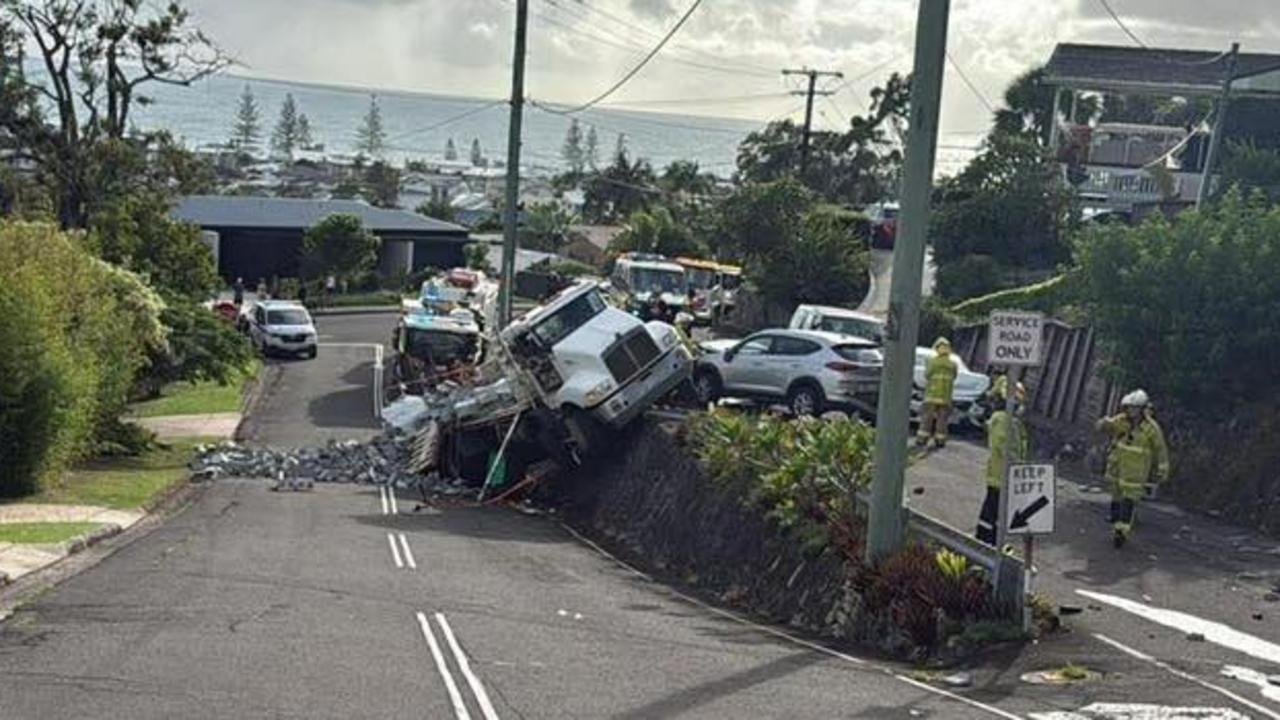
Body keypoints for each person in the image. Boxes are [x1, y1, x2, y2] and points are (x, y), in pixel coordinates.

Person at [1096, 389, 1170, 548]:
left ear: (1142, 409)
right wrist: (1104, 423)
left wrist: (1162, 470)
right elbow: (1105, 428)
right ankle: (1116, 524)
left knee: (1128, 502)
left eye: (1135, 408)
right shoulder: (1121, 420)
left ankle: (1121, 532)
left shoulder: (1151, 428)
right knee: (1116, 499)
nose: (1131, 411)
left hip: (1135, 474)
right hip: (1118, 469)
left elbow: (1160, 449)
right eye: (1129, 408)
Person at [977, 380, 1029, 546]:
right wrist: (1017, 465)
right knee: (993, 509)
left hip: (1002, 474)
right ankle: (985, 539)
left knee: (997, 510)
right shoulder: (1003, 420)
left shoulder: (1008, 420)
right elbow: (1003, 446)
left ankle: (991, 539)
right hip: (1002, 474)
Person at [917, 337, 957, 448]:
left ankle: (922, 439)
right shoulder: (953, 364)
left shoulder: (932, 361)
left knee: (927, 418)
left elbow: (927, 375)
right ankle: (940, 440)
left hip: (932, 395)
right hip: (946, 396)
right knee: (942, 420)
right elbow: (954, 377)